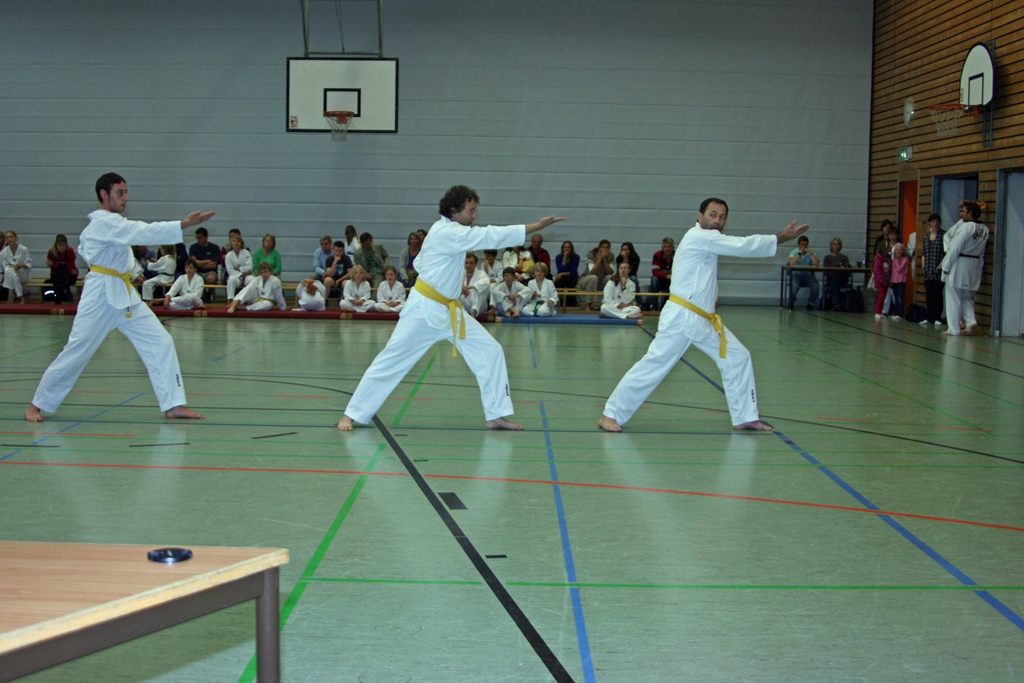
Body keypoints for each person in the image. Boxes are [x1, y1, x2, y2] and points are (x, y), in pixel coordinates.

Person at [337, 184, 566, 431]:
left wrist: (449, 284)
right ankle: (351, 413)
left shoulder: (441, 229)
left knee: (490, 351)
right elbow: (491, 235)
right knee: (392, 360)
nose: (474, 215)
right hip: (423, 311)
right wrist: (535, 227)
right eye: (471, 210)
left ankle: (495, 415)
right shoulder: (449, 232)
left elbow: (423, 262)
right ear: (454, 210)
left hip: (449, 309)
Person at [598, 197, 808, 433]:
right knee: (655, 364)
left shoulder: (708, 242)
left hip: (703, 319)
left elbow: (703, 274)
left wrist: (712, 296)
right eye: (713, 215)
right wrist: (781, 237)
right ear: (700, 216)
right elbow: (743, 245)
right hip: (682, 318)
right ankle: (611, 414)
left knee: (738, 357)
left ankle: (745, 416)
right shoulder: (699, 236)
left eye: (722, 217)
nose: (718, 220)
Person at [24, 172, 212, 423]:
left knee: (160, 341)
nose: (125, 198)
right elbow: (143, 232)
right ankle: (36, 405)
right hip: (100, 295)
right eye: (120, 193)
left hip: (123, 292)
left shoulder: (110, 224)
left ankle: (173, 404)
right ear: (104, 194)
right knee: (78, 350)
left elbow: (105, 250)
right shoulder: (105, 223)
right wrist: (182, 224)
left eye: (126, 192)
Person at [941, 200, 990, 336]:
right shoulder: (985, 229)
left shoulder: (967, 227)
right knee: (966, 296)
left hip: (960, 263)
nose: (961, 213)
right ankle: (970, 321)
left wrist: (946, 266)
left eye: (963, 211)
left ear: (970, 213)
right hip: (974, 264)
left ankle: (953, 329)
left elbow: (955, 247)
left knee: (953, 295)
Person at [919, 213, 945, 326]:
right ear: (929, 223)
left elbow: (946, 253)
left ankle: (937, 317)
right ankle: (929, 317)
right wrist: (923, 267)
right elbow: (924, 253)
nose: (935, 223)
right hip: (928, 269)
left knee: (937, 294)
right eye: (933, 221)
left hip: (938, 269)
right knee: (929, 294)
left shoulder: (944, 236)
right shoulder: (926, 237)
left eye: (937, 221)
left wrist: (941, 266)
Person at [578, 239, 615, 311]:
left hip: (601, 280)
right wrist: (600, 258)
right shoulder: (592, 254)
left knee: (611, 278)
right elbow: (593, 272)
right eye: (603, 247)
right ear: (599, 248)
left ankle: (609, 303)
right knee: (594, 277)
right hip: (587, 278)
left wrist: (604, 260)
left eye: (607, 247)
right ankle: (588, 305)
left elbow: (610, 272)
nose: (605, 249)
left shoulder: (611, 256)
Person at [787, 235, 820, 310]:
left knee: (816, 285)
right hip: (796, 273)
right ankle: (791, 301)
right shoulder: (793, 252)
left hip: (807, 274)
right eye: (802, 244)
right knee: (795, 285)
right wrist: (799, 254)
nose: (804, 246)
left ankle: (811, 303)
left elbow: (817, 264)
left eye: (805, 244)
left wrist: (811, 254)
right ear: (798, 244)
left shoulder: (810, 252)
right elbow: (791, 262)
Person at [46, 234, 79, 304]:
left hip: (69, 276)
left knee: (60, 268)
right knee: (56, 274)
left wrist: (55, 264)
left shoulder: (70, 251)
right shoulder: (51, 252)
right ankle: (67, 291)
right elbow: (51, 268)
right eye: (60, 245)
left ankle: (59, 298)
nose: (62, 247)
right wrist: (58, 265)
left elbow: (70, 267)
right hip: (58, 277)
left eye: (64, 245)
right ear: (56, 245)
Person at [1, 230, 32, 303]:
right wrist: (13, 267)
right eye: (7, 238)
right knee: (9, 271)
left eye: (11, 237)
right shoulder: (4, 251)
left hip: (23, 275)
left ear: (15, 237)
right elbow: (4, 266)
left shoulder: (24, 249)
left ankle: (11, 294)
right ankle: (20, 296)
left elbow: (29, 264)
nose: (9, 239)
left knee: (9, 272)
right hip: (11, 274)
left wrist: (21, 265)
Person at [822, 237, 851, 311]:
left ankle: (830, 293)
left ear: (840, 246)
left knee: (837, 278)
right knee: (835, 280)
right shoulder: (827, 258)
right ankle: (835, 304)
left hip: (842, 278)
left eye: (838, 244)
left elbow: (847, 271)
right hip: (831, 278)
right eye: (834, 244)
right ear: (831, 246)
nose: (836, 246)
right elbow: (825, 271)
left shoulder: (844, 258)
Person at [459, 252, 491, 317]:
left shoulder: (481, 273)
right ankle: (461, 315)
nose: (468, 265)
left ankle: (473, 315)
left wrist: (469, 287)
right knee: (455, 293)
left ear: (476, 264)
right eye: (466, 263)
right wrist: (462, 289)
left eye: (471, 263)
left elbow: (487, 281)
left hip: (479, 307)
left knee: (479, 290)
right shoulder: (460, 274)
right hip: (465, 305)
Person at [224, 234, 253, 300]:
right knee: (231, 279)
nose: (236, 243)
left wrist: (238, 269)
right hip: (237, 277)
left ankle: (249, 299)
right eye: (234, 241)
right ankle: (230, 299)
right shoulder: (228, 255)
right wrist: (242, 273)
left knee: (252, 280)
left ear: (241, 244)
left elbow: (250, 267)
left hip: (247, 276)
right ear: (231, 244)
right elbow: (230, 271)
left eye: (238, 241)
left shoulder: (246, 253)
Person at [649, 237, 674, 310]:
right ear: (662, 248)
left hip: (673, 280)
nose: (667, 249)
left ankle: (670, 308)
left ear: (673, 248)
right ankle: (655, 308)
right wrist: (666, 276)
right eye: (665, 247)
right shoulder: (657, 255)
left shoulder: (677, 255)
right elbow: (655, 271)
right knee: (654, 280)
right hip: (661, 281)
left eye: (669, 246)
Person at [553, 240, 580, 307]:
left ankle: (571, 301)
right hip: (562, 278)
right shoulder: (558, 257)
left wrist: (563, 273)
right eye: (565, 247)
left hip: (572, 277)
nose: (566, 249)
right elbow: (560, 270)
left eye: (568, 247)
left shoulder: (576, 257)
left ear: (571, 248)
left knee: (569, 278)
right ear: (562, 248)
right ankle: (559, 300)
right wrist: (564, 259)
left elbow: (573, 271)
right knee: (561, 279)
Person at [872, 234, 892, 320]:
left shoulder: (888, 258)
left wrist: (889, 280)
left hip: (886, 280)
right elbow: (877, 271)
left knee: (884, 296)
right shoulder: (878, 258)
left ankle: (880, 311)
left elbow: (890, 269)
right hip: (880, 281)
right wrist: (882, 280)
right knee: (881, 295)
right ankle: (877, 312)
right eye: (888, 247)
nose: (889, 249)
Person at [888, 243, 909, 319]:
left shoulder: (905, 259)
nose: (898, 251)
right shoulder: (893, 260)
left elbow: (900, 269)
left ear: (903, 251)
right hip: (894, 280)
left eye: (900, 249)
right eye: (896, 249)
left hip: (901, 280)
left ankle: (900, 313)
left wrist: (896, 260)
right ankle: (895, 312)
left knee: (900, 297)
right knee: (895, 297)